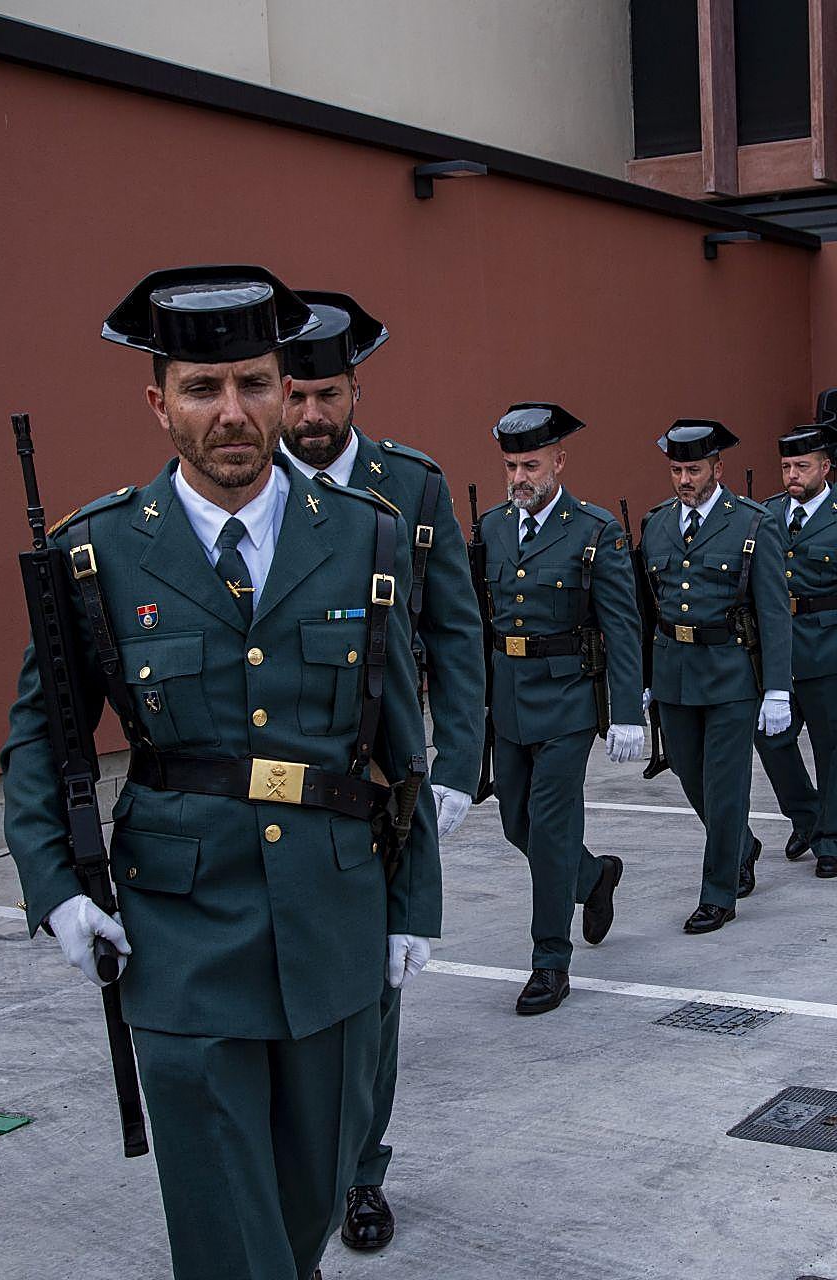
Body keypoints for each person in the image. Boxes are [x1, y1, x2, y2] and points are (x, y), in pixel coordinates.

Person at [1, 265, 439, 1280]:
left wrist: (415, 899)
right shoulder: (98, 552)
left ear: (289, 389)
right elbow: (42, 737)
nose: (232, 411)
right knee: (220, 1227)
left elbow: (397, 739)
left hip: (333, 915)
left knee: (309, 1201)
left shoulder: (366, 533)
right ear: (159, 404)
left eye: (253, 382)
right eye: (203, 389)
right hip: (181, 931)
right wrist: (57, 889)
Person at [277, 289, 482, 1252]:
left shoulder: (414, 485)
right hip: (276, 779)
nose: (312, 417)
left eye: (328, 395)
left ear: (355, 391)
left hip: (383, 786)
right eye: (297, 396)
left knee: (376, 992)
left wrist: (460, 761)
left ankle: (361, 1171)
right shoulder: (248, 492)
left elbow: (455, 628)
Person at [475, 403, 644, 1014]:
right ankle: (594, 876)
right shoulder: (491, 528)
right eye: (511, 466)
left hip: (569, 699)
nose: (519, 478)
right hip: (509, 699)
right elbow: (477, 622)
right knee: (517, 823)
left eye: (530, 465)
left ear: (559, 462)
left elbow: (622, 627)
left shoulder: (595, 530)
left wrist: (627, 709)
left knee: (548, 824)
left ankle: (550, 959)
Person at [640, 420, 793, 932]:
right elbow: (647, 606)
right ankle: (742, 845)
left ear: (717, 469)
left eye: (694, 469)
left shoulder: (753, 522)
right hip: (673, 671)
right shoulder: (656, 522)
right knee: (689, 773)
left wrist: (777, 688)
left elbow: (773, 610)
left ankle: (718, 891)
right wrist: (641, 675)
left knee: (726, 784)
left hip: (731, 672)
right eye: (677, 470)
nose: (684, 479)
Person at [754, 424, 837, 877]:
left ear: (826, 468)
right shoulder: (765, 513)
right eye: (787, 466)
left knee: (834, 750)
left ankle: (832, 838)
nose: (792, 474)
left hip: (831, 650)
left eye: (802, 466)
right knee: (771, 741)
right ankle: (806, 816)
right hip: (776, 653)